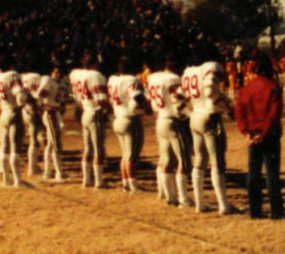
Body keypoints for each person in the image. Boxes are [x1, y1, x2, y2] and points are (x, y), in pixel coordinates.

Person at [234, 53, 285, 220]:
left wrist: (246, 133)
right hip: (268, 134)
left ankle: (255, 210)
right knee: (272, 175)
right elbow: (273, 114)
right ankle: (276, 211)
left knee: (254, 173)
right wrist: (264, 133)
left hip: (253, 133)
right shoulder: (272, 87)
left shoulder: (246, 89)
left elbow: (239, 114)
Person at [183, 60, 235, 214]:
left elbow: (180, 96)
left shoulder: (188, 71)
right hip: (208, 116)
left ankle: (200, 203)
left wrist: (190, 112)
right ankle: (223, 205)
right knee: (217, 161)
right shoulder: (209, 68)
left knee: (199, 160)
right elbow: (210, 91)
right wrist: (226, 107)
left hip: (195, 116)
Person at [147, 54, 193, 206]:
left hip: (160, 119)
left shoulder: (153, 77)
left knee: (166, 159)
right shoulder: (174, 80)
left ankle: (169, 196)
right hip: (173, 121)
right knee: (184, 161)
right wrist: (191, 115)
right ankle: (183, 198)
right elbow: (178, 104)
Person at [108, 57, 149, 192]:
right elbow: (137, 96)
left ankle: (125, 181)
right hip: (130, 119)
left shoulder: (113, 79)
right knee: (132, 155)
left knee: (125, 154)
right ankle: (133, 184)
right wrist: (147, 107)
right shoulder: (131, 80)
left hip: (118, 117)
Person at [69, 52, 109, 188]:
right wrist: (110, 110)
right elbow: (101, 99)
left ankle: (87, 179)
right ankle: (99, 181)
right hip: (94, 112)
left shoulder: (76, 74)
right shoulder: (95, 76)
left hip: (85, 111)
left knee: (88, 148)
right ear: (95, 64)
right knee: (98, 149)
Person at [35, 66, 66, 181]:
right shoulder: (48, 81)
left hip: (56, 112)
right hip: (50, 112)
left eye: (60, 72)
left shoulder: (62, 83)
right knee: (55, 143)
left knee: (50, 144)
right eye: (56, 72)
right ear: (51, 72)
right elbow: (39, 96)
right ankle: (59, 173)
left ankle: (47, 172)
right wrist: (41, 109)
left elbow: (61, 100)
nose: (58, 74)